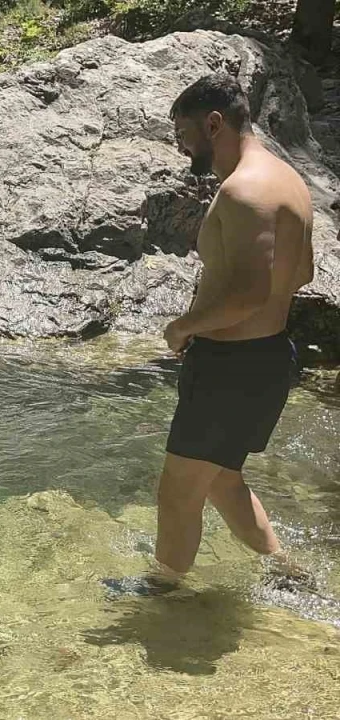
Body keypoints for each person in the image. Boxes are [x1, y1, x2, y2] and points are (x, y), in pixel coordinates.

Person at [151, 74, 315, 583]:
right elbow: (302, 274)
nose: (181, 146)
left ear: (214, 124)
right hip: (266, 359)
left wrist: (183, 327)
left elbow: (247, 295)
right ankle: (287, 573)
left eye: (183, 133)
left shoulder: (244, 191)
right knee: (222, 478)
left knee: (178, 491)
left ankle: (162, 595)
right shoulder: (287, 179)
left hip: (229, 368)